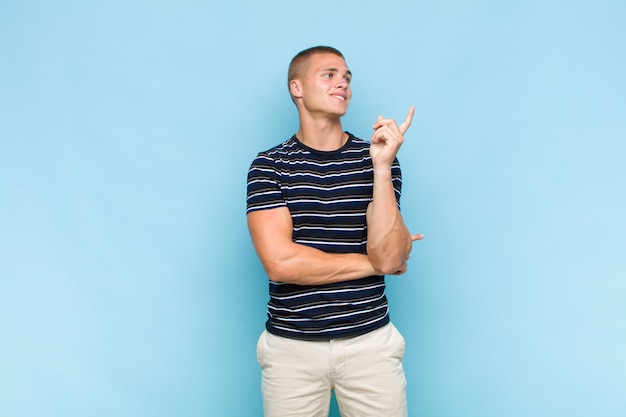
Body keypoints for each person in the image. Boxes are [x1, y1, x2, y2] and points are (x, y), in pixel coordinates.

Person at [246, 45, 422, 417]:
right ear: (297, 87)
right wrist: (373, 265)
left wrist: (381, 166)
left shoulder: (376, 159)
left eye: (346, 77)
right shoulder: (269, 166)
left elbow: (390, 255)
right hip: (291, 350)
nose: (343, 83)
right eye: (329, 74)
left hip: (370, 345)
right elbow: (281, 263)